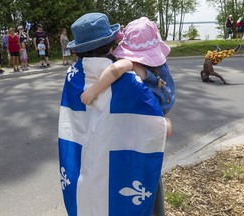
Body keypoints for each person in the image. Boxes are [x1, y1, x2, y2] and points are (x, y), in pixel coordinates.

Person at [59, 13, 167, 216]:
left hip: (89, 161)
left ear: (78, 51)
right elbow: (155, 124)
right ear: (111, 45)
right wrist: (165, 123)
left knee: (93, 199)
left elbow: (72, 121)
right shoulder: (128, 78)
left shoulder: (73, 76)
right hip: (127, 156)